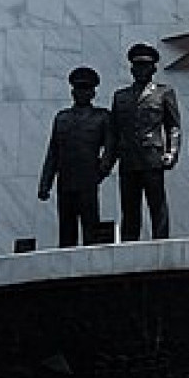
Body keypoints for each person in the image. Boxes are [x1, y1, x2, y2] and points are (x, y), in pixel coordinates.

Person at [99, 43, 181, 240]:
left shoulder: (164, 93)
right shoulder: (120, 97)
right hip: (128, 160)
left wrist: (172, 152)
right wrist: (106, 162)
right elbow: (113, 133)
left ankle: (161, 241)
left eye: (146, 66)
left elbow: (173, 126)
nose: (141, 70)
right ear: (131, 69)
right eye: (137, 66)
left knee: (157, 205)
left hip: (152, 157)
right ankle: (129, 245)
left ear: (153, 68)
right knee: (129, 209)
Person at [37, 66, 110, 247]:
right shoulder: (62, 118)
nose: (82, 93)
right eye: (78, 88)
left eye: (86, 89)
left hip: (88, 179)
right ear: (72, 91)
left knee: (90, 228)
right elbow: (53, 153)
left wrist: (101, 171)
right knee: (66, 231)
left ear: (93, 93)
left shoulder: (101, 117)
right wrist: (45, 183)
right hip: (66, 180)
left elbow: (111, 147)